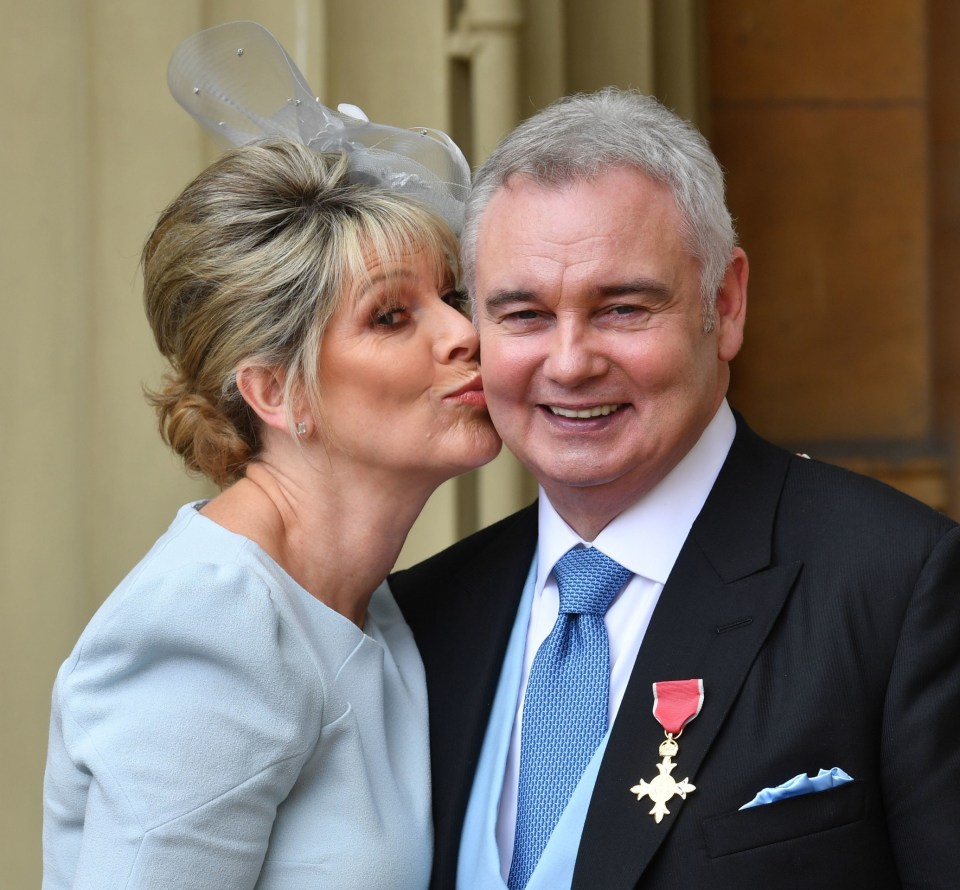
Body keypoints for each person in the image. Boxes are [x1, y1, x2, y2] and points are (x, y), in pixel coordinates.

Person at [390, 88, 960, 889]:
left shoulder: (900, 587)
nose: (570, 361)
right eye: (522, 315)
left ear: (725, 305)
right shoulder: (423, 616)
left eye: (622, 308)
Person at [42, 23, 500, 890]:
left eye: (450, 295)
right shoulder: (209, 624)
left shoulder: (365, 607)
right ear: (276, 393)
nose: (465, 333)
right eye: (392, 316)